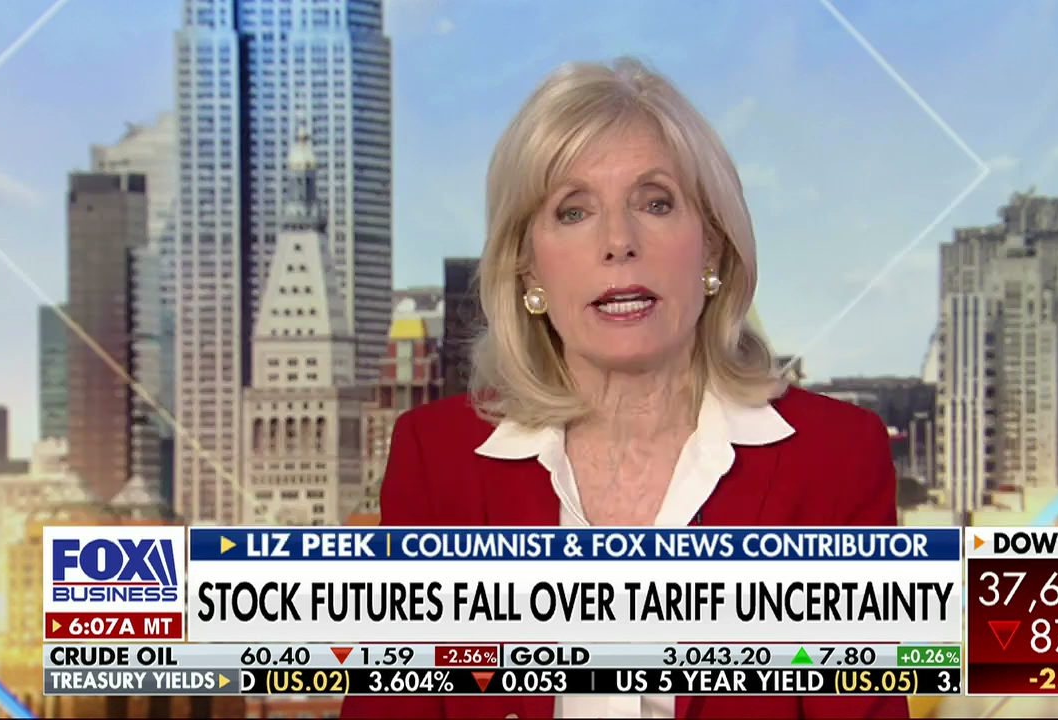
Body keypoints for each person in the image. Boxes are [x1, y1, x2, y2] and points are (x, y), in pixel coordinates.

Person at [341, 58, 908, 720]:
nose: (619, 241)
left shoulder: (835, 459)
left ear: (713, 249)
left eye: (655, 202)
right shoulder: (436, 460)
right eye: (574, 211)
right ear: (528, 270)